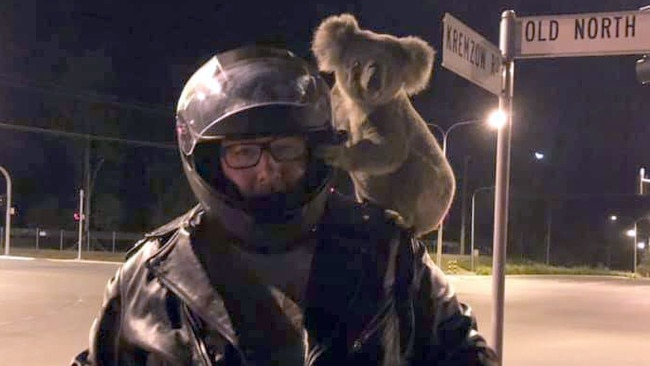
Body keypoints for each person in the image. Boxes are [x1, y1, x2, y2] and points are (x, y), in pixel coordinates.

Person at [73, 46, 498, 365]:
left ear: (312, 152)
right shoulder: (150, 275)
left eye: (285, 148)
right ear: (210, 163)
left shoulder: (388, 250)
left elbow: (463, 351)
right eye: (243, 152)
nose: (267, 170)